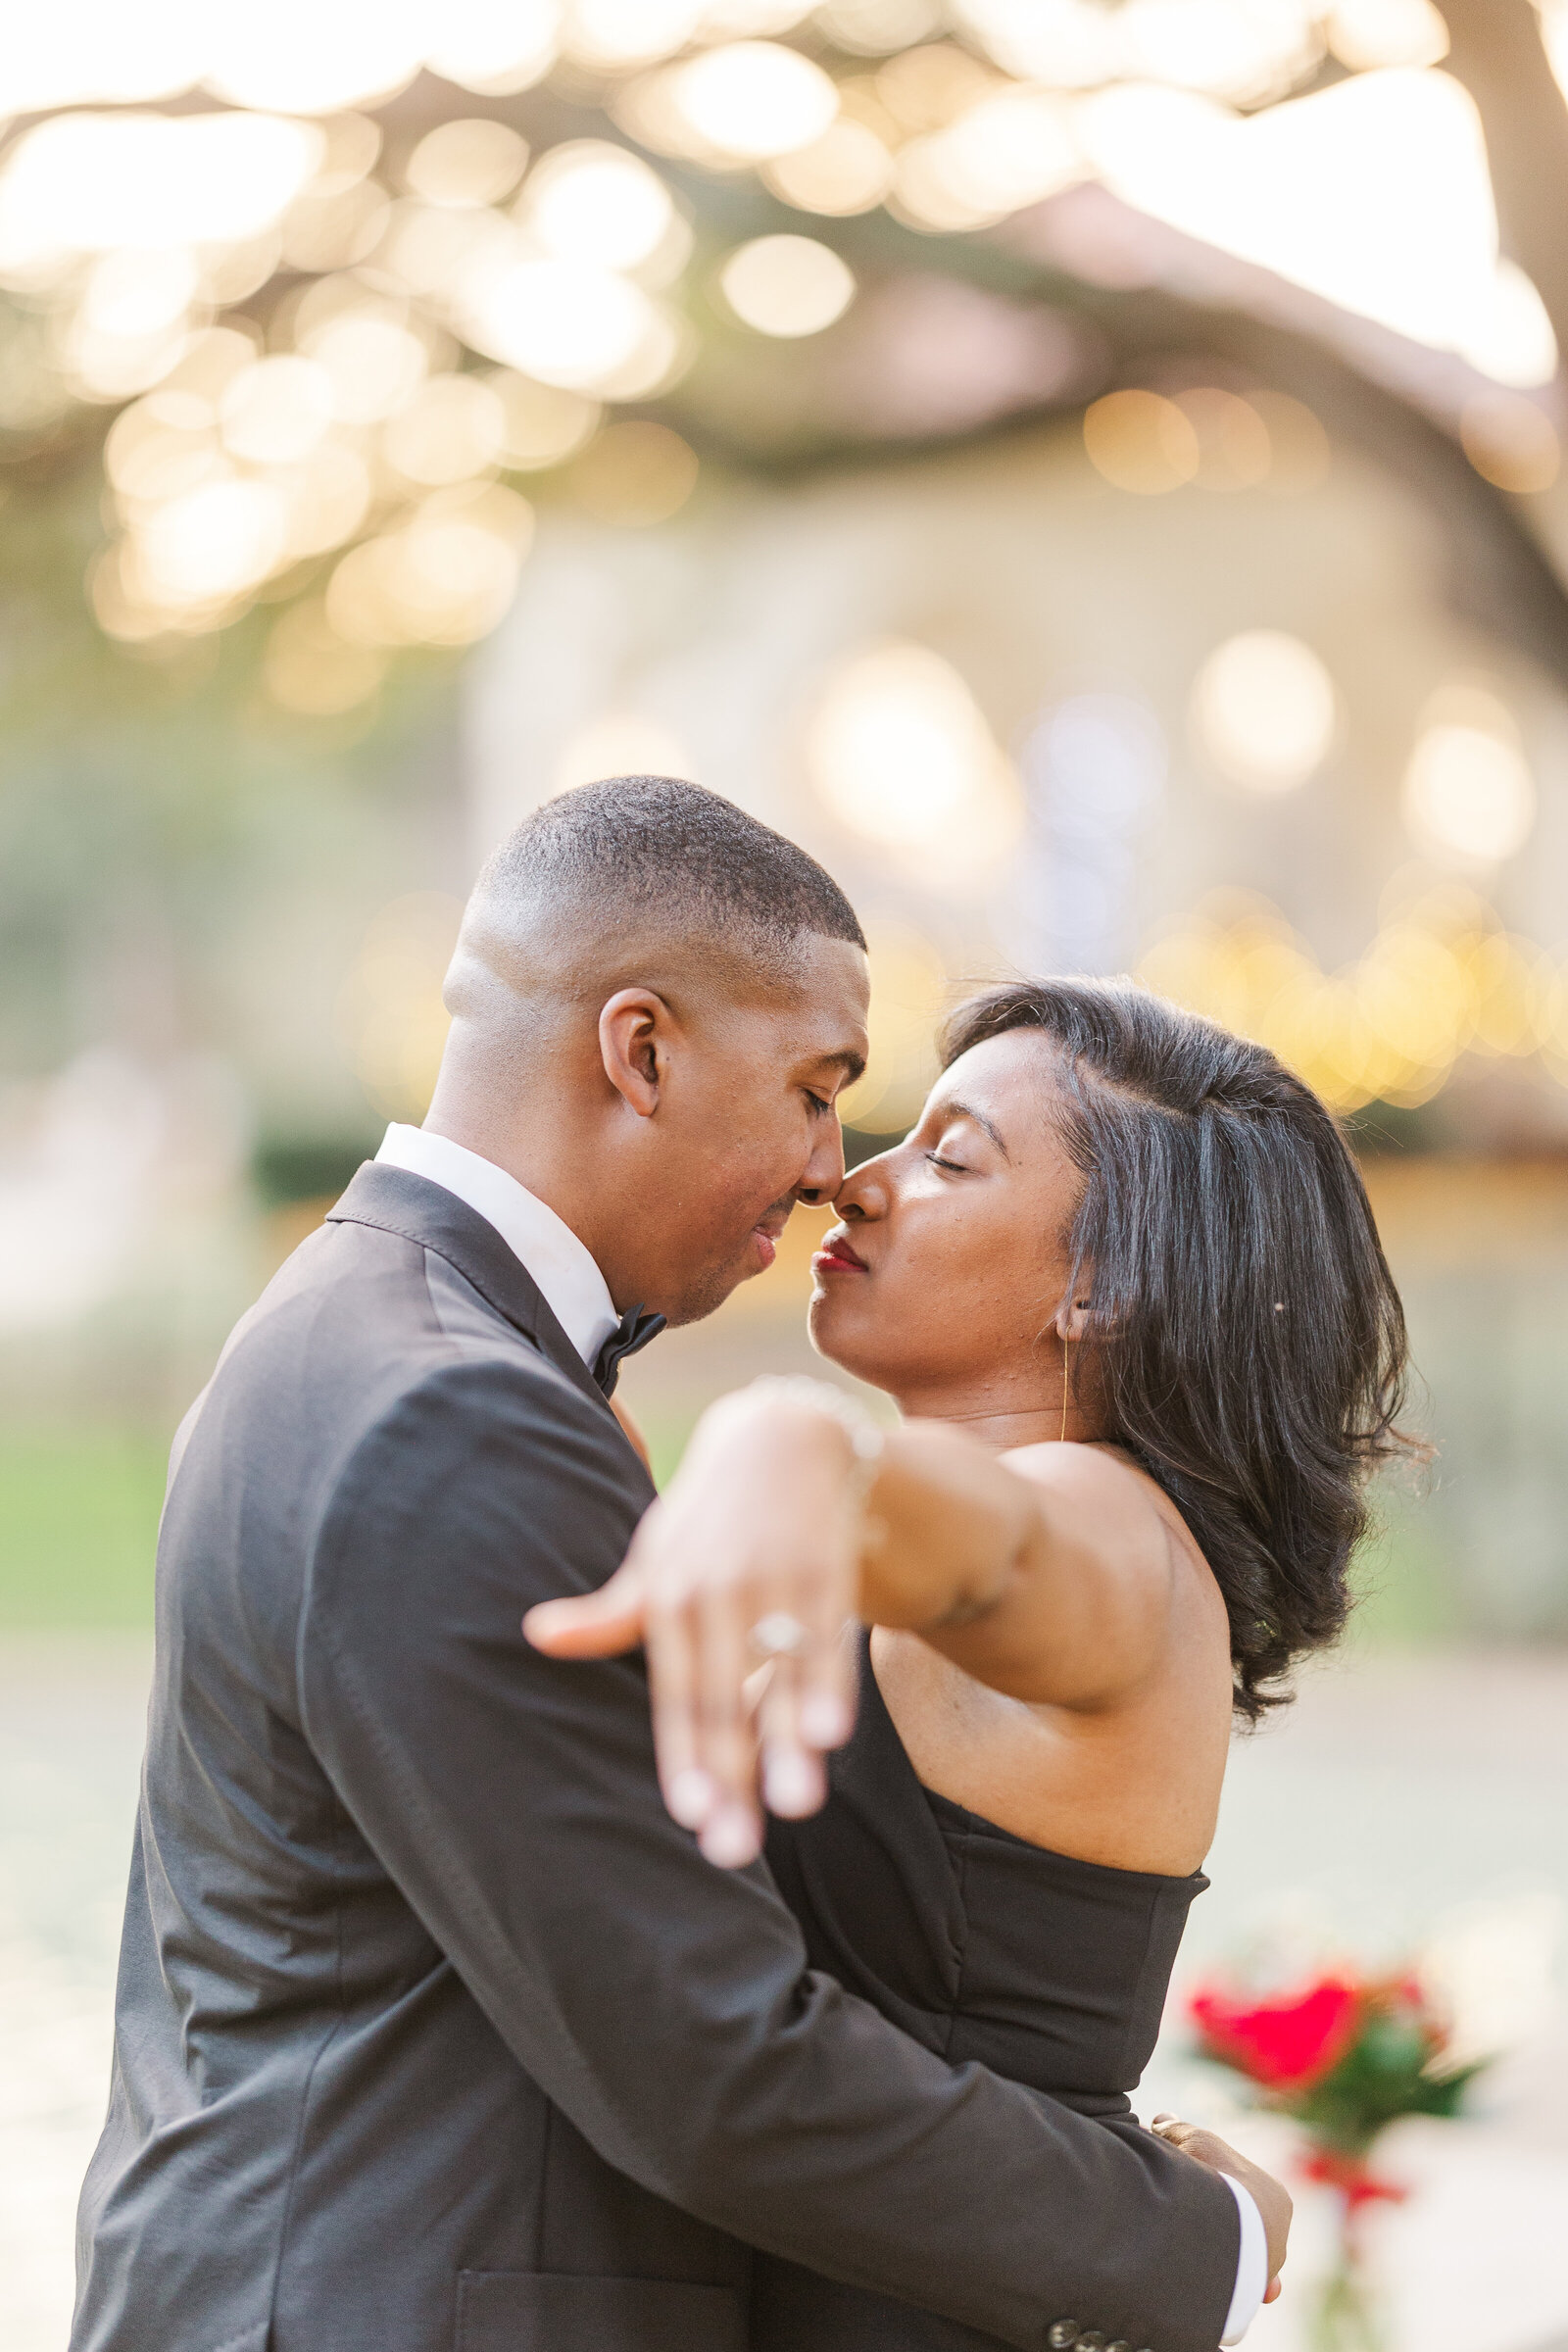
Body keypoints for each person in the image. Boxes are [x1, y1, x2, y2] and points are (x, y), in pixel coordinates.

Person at [73, 781, 1278, 2352]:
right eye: (818, 1089)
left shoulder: (371, 1336)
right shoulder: (449, 1412)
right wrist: (1200, 2241)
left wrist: (799, 1452)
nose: (831, 1168)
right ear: (640, 1051)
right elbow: (704, 2056)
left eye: (914, 1136)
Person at [528, 966, 1415, 2348]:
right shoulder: (888, 1578)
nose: (858, 1182)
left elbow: (998, 1548)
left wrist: (792, 1438)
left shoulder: (1114, 1537)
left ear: (1102, 1285)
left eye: (949, 1157)